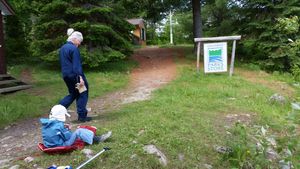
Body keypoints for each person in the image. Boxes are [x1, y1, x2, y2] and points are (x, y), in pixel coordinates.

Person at [40, 105, 112, 148]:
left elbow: (53, 133)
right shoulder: (59, 126)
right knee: (79, 131)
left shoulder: (46, 124)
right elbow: (67, 138)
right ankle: (97, 139)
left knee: (77, 132)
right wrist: (68, 129)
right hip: (61, 145)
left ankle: (92, 137)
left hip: (49, 145)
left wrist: (63, 128)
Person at [58, 28, 91, 122]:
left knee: (73, 93)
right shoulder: (74, 49)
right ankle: (82, 116)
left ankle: (56, 110)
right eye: (79, 41)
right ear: (75, 39)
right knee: (83, 92)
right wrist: (80, 78)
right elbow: (76, 66)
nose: (79, 43)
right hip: (75, 75)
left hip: (66, 75)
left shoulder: (63, 48)